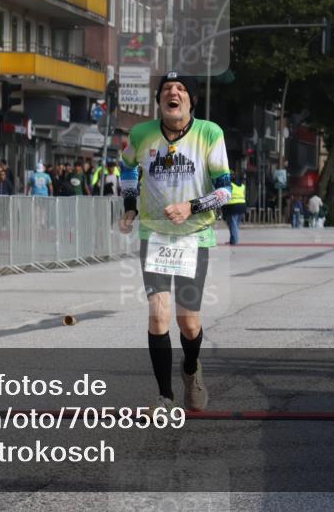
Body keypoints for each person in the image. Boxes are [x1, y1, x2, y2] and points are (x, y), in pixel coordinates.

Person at [118, 72, 232, 412]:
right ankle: (164, 397)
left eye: (181, 89)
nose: (174, 93)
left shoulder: (209, 133)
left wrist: (191, 207)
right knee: (158, 317)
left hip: (194, 235)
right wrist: (128, 206)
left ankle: (191, 368)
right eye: (167, 89)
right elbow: (126, 169)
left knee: (189, 322)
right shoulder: (140, 134)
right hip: (154, 234)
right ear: (159, 101)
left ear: (191, 100)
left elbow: (225, 190)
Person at [223, 175, 247, 245]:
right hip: (242, 206)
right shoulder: (242, 186)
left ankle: (234, 241)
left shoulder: (229, 185)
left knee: (233, 225)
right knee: (236, 225)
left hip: (232, 207)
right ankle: (232, 240)